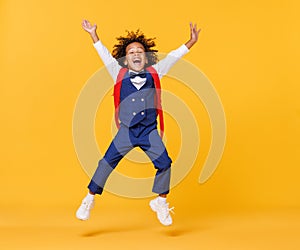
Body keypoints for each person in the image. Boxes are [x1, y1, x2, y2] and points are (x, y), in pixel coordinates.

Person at [76, 19, 200, 226]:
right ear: (125, 58)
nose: (135, 53)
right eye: (131, 51)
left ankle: (160, 202)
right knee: (105, 163)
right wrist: (93, 35)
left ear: (146, 56)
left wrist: (191, 42)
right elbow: (104, 55)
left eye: (139, 51)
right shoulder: (118, 73)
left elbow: (173, 57)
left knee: (165, 163)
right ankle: (89, 199)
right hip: (126, 131)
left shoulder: (156, 72)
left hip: (149, 132)